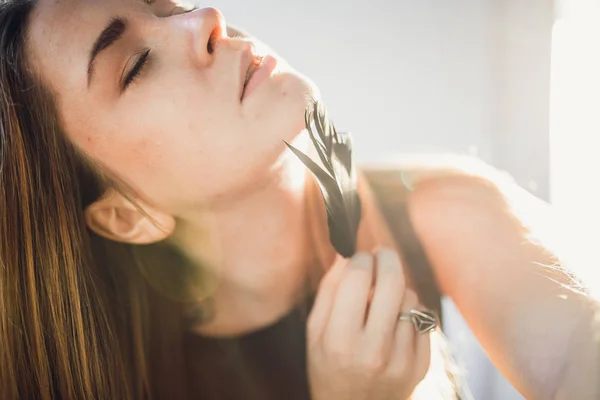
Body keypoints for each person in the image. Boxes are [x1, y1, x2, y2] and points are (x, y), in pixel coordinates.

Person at [0, 0, 597, 399]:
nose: (205, 17)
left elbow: (578, 355)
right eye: (135, 65)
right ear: (126, 217)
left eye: (165, 2)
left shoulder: (440, 207)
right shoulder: (121, 376)